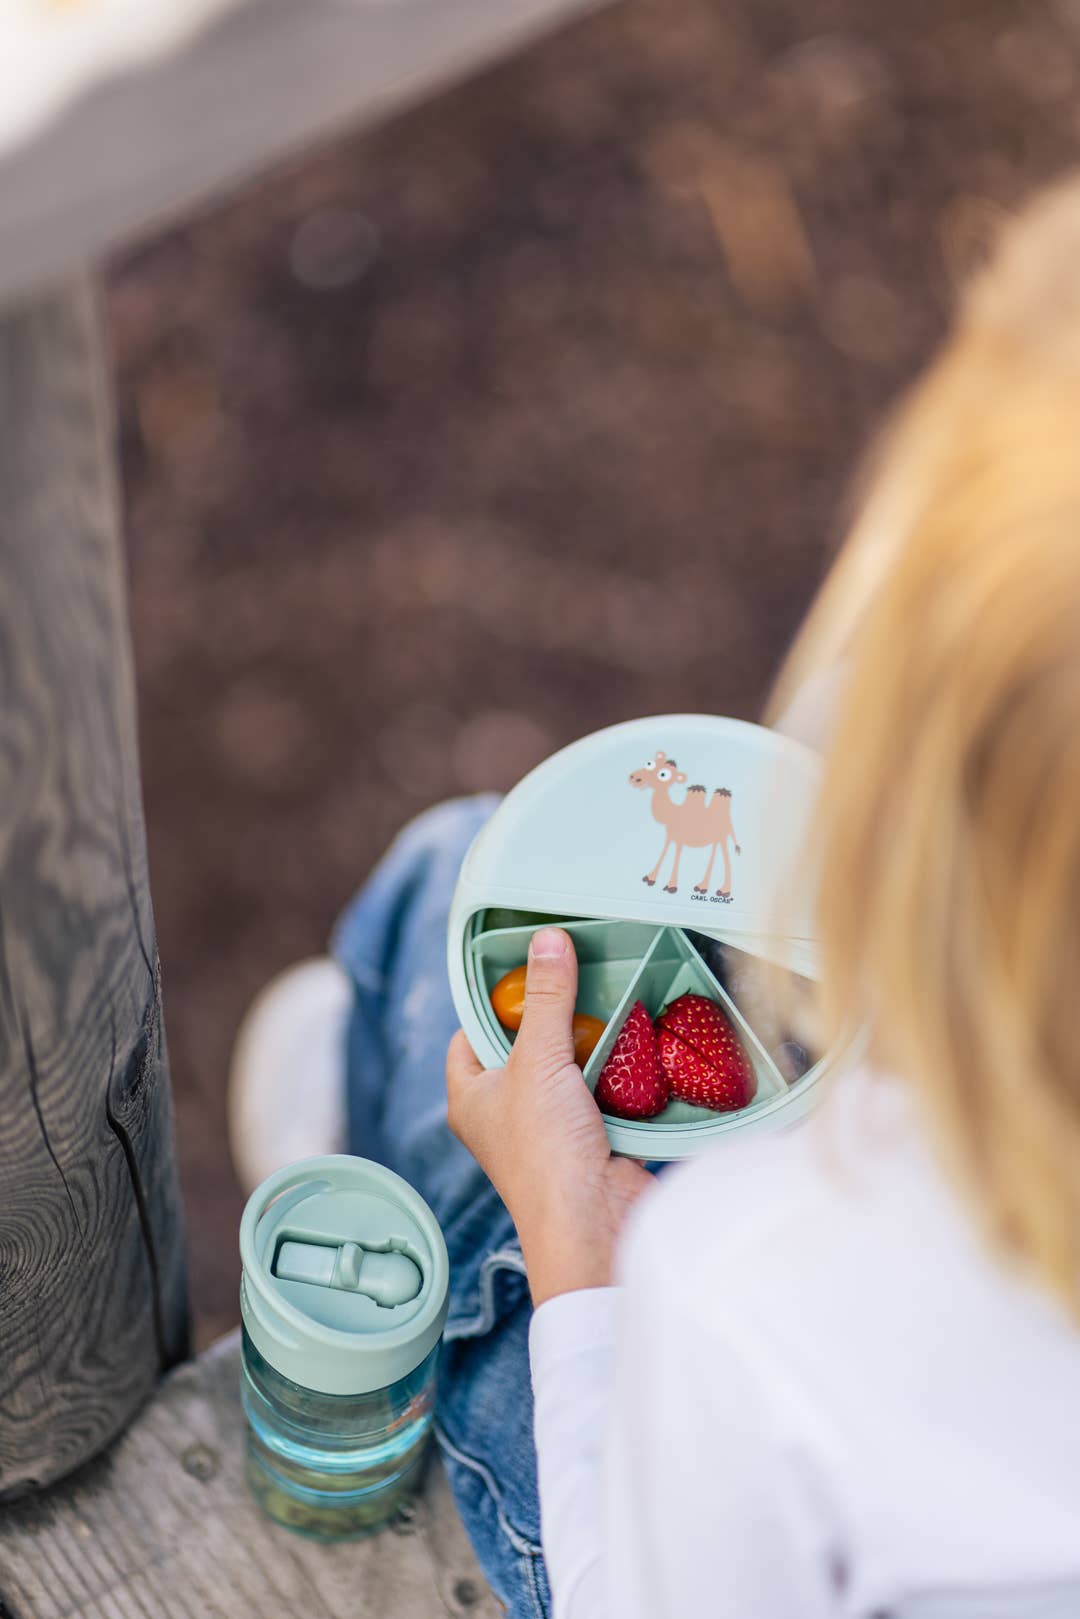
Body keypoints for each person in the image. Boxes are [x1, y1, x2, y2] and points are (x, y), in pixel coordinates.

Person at [230, 174, 1080, 1617]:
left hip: (692, 1517)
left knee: (451, 899)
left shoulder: (748, 1288)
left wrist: (574, 1257)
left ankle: (382, 1129)